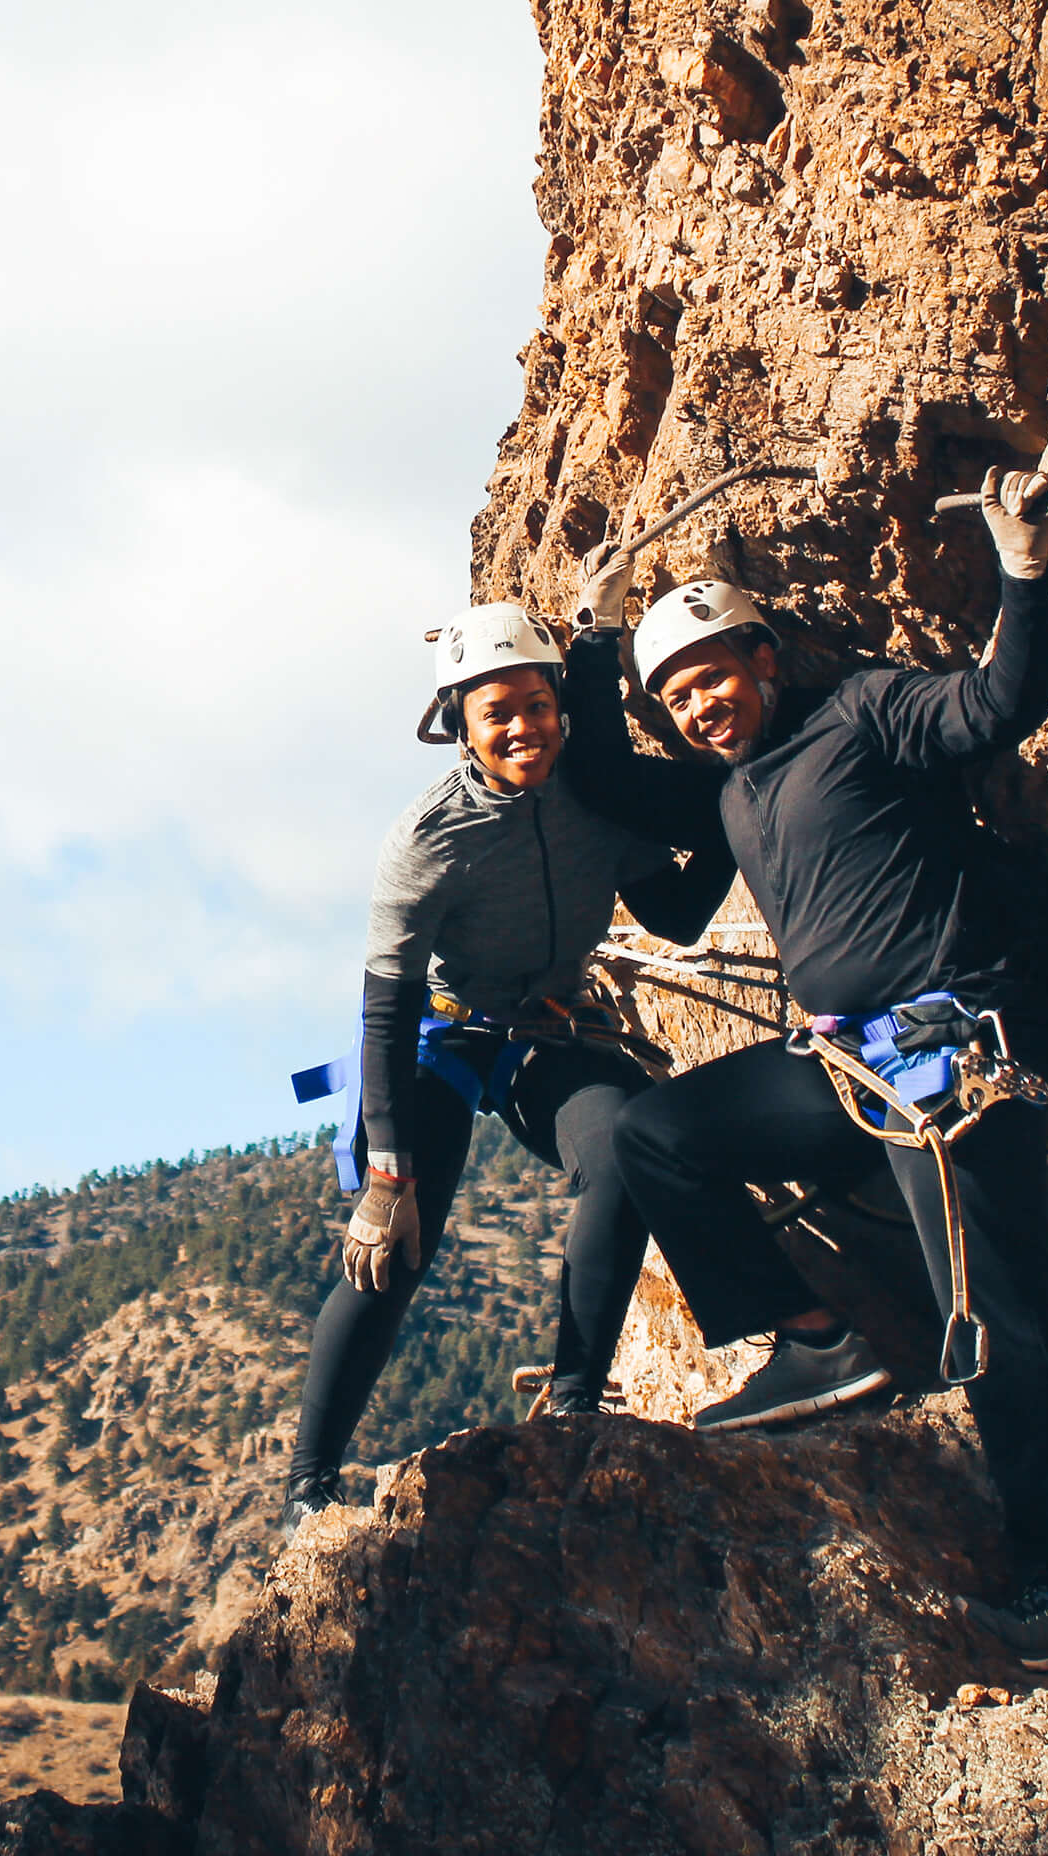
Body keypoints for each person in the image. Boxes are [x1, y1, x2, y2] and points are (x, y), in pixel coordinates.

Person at [560, 468, 1048, 1670]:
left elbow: (993, 708)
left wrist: (1023, 571)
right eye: (673, 696)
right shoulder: (726, 792)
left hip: (948, 1040)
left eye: (709, 675)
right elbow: (606, 778)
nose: (695, 707)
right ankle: (816, 1341)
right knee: (658, 1137)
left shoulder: (863, 715)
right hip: (845, 1065)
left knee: (992, 1306)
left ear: (763, 658)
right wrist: (593, 640)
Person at [280, 601, 767, 1528]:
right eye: (497, 712)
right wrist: (388, 1175)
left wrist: (729, 816)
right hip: (445, 1036)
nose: (522, 729)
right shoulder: (428, 839)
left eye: (537, 707)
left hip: (548, 1030)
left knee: (628, 1146)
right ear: (458, 726)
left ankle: (577, 1406)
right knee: (396, 1249)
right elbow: (387, 1008)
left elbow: (669, 915)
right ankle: (310, 1485)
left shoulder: (590, 799)